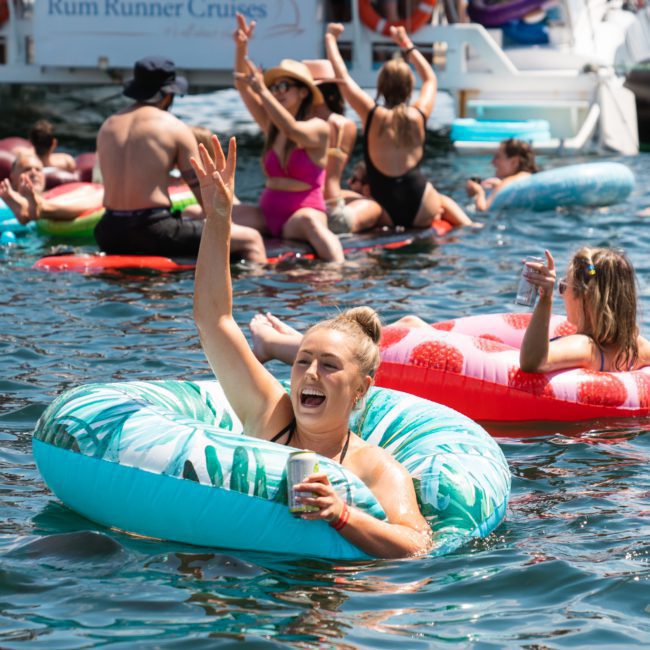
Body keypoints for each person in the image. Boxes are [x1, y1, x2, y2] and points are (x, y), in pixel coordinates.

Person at [191, 135, 433, 558]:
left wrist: (341, 513)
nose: (310, 373)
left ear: (361, 389)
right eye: (302, 360)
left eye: (329, 365)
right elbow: (214, 322)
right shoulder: (270, 418)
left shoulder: (375, 467)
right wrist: (218, 219)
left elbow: (417, 543)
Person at [95, 56, 266, 262]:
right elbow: (204, 194)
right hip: (152, 230)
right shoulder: (173, 127)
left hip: (108, 231)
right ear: (168, 95)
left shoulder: (108, 126)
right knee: (251, 240)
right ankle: (257, 291)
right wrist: (228, 226)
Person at [325, 23, 476, 230]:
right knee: (440, 199)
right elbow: (430, 78)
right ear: (408, 87)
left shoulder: (373, 114)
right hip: (422, 203)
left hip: (385, 208)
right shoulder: (418, 114)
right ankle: (470, 226)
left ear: (381, 87)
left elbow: (342, 78)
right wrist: (406, 43)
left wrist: (331, 39)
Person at [232, 14, 344, 262]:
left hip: (303, 215)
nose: (277, 92)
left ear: (303, 92)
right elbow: (241, 84)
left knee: (310, 224)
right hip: (267, 213)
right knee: (220, 215)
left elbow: (293, 129)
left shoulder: (319, 127)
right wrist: (242, 49)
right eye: (275, 87)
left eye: (284, 87)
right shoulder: (272, 125)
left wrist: (261, 89)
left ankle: (340, 271)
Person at [519, 248, 650, 373]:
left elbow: (532, 363)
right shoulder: (638, 347)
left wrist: (546, 299)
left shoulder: (586, 347)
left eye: (563, 286)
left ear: (585, 298)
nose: (561, 295)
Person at [303, 59, 386, 234]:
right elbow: (327, 183)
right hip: (329, 209)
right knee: (376, 207)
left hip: (297, 205)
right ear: (333, 91)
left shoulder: (292, 126)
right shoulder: (344, 126)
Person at [0, 151, 100, 223]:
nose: (34, 173)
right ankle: (38, 207)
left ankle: (30, 205)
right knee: (99, 195)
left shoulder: (56, 193)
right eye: (27, 169)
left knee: (88, 190)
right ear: (12, 176)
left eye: (38, 170)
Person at [466, 138, 539, 212]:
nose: (492, 162)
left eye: (498, 157)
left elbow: (483, 209)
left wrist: (478, 192)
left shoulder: (509, 181)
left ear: (514, 162)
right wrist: (499, 185)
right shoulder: (529, 177)